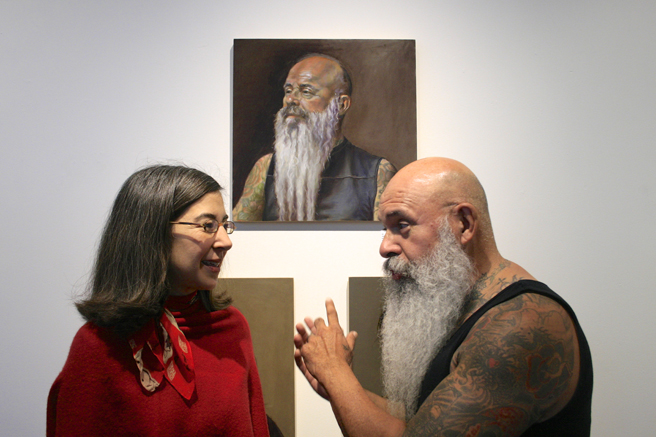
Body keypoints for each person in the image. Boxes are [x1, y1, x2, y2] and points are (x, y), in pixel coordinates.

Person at [294, 157, 593, 436]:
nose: (385, 247)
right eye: (385, 229)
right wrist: (341, 388)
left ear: (464, 223)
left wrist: (336, 374)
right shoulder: (462, 304)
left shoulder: (519, 325)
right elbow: (423, 420)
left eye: (402, 225)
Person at [47, 165, 270, 437]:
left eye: (224, 225)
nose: (225, 241)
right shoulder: (99, 347)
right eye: (208, 225)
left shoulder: (232, 330)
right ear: (153, 232)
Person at [233, 53, 397, 222]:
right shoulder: (266, 167)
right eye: (288, 91)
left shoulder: (377, 173)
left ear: (341, 105)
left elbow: (386, 235)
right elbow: (238, 233)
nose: (291, 100)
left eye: (306, 92)